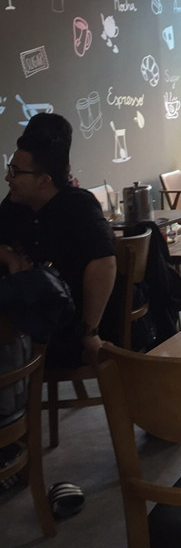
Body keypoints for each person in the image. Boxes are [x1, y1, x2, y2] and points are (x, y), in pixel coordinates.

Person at [0, 113, 116, 368]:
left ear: (44, 181)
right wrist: (9, 256)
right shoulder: (15, 205)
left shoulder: (79, 207)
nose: (8, 178)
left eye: (15, 172)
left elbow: (105, 263)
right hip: (30, 324)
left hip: (72, 329)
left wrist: (89, 332)